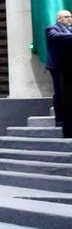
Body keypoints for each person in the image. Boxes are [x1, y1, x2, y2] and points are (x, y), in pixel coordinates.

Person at [45, 9, 72, 137]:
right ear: (59, 19)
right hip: (57, 67)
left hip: (68, 67)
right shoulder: (52, 29)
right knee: (59, 93)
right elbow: (56, 38)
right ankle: (60, 119)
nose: (69, 19)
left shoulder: (70, 30)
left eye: (70, 16)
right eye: (66, 17)